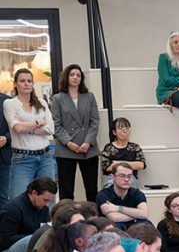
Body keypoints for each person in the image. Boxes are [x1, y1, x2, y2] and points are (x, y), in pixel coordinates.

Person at [3, 68, 57, 200]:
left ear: (33, 83)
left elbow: (51, 129)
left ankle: (46, 217)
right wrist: (38, 122)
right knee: (19, 200)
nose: (26, 84)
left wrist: (28, 127)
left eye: (29, 81)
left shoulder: (42, 103)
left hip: (45, 157)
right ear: (15, 84)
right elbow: (17, 128)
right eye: (22, 81)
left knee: (47, 199)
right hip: (23, 158)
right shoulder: (10, 103)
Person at [51, 64, 100, 202]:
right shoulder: (57, 98)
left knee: (92, 189)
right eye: (72, 75)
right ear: (66, 77)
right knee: (66, 191)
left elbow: (95, 121)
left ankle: (93, 214)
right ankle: (66, 215)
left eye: (78, 75)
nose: (75, 77)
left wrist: (88, 142)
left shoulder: (89, 96)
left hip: (88, 148)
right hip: (66, 149)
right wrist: (69, 143)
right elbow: (56, 124)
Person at [0, 176, 57, 252]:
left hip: (27, 250)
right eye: (45, 200)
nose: (47, 204)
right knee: (35, 238)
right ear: (34, 193)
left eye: (49, 201)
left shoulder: (43, 208)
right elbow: (5, 240)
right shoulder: (13, 209)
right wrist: (34, 237)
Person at [96, 162, 148, 230]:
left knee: (146, 223)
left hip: (133, 227)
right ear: (113, 177)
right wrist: (137, 215)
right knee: (117, 225)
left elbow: (144, 214)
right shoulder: (103, 195)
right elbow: (114, 218)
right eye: (122, 176)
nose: (126, 179)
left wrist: (118, 208)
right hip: (112, 229)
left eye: (129, 176)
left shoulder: (137, 193)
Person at [99, 117, 145, 187]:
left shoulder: (135, 147)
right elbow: (107, 167)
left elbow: (141, 165)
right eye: (121, 128)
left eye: (127, 128)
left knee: (132, 185)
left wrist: (117, 163)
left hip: (130, 176)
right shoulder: (109, 147)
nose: (125, 131)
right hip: (112, 177)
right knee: (110, 185)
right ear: (114, 132)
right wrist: (131, 164)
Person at [0, 89, 10, 211]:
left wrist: (7, 138)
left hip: (3, 158)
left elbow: (17, 127)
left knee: (4, 196)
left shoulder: (8, 101)